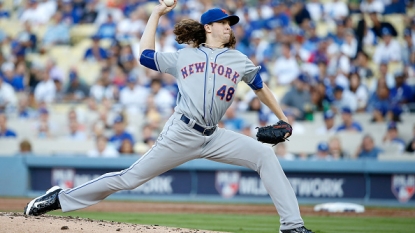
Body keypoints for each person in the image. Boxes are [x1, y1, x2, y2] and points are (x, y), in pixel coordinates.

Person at [24, 4, 313, 233]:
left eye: (230, 24)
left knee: (265, 155)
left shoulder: (239, 60)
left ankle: (292, 226)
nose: (229, 27)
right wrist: (156, 13)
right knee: (129, 179)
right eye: (224, 23)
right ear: (208, 27)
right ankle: (59, 198)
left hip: (214, 135)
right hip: (181, 132)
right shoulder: (184, 56)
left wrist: (283, 119)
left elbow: (261, 88)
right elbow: (145, 56)